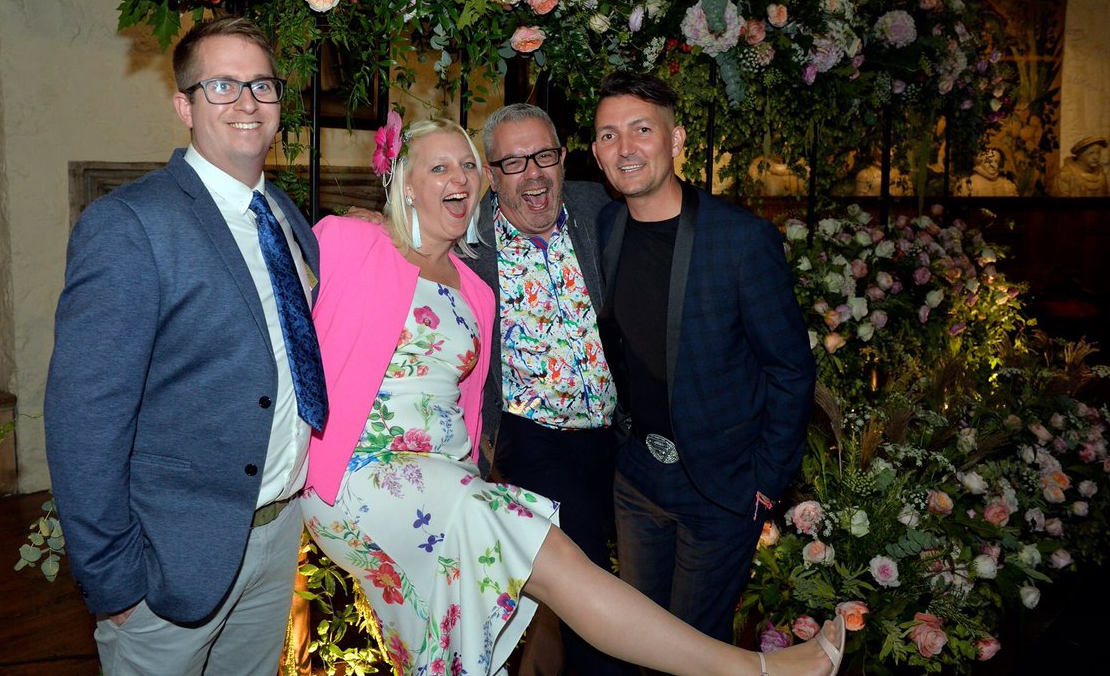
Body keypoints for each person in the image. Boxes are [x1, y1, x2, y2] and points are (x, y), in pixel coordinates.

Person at [300, 117, 843, 676]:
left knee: (458, 635)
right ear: (408, 183)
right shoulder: (353, 241)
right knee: (560, 562)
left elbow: (463, 400)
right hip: (394, 466)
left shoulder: (490, 277)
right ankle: (758, 671)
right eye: (442, 167)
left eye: (464, 166)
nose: (528, 173)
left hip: (578, 443)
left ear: (562, 161)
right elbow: (286, 332)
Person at [45, 16, 325, 675]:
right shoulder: (131, 224)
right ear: (184, 105)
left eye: (262, 85)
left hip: (276, 535)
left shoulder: (287, 218)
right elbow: (84, 417)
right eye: (223, 84)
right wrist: (114, 577)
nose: (247, 102)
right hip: (170, 559)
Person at [591, 71, 817, 645]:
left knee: (696, 648)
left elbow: (790, 370)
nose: (626, 148)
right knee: (641, 640)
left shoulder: (740, 240)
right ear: (596, 153)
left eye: (642, 130)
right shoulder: (607, 224)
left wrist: (766, 483)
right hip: (638, 477)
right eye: (609, 134)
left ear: (678, 139)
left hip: (720, 486)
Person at [472, 103, 633, 676]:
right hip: (534, 434)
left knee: (635, 577)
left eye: (543, 156)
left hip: (620, 430)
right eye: (513, 163)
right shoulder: (469, 240)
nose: (532, 174)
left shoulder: (599, 211)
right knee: (585, 573)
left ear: (564, 160)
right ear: (492, 176)